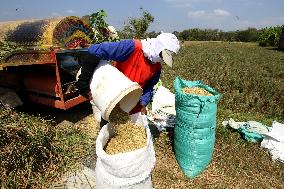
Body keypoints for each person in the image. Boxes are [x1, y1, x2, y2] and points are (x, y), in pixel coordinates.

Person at [76, 32, 180, 127]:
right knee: (109, 125)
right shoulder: (132, 47)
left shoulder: (157, 67)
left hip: (132, 101)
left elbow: (149, 86)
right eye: (162, 55)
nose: (161, 59)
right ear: (158, 46)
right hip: (112, 98)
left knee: (130, 130)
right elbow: (95, 50)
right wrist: (83, 81)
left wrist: (143, 103)